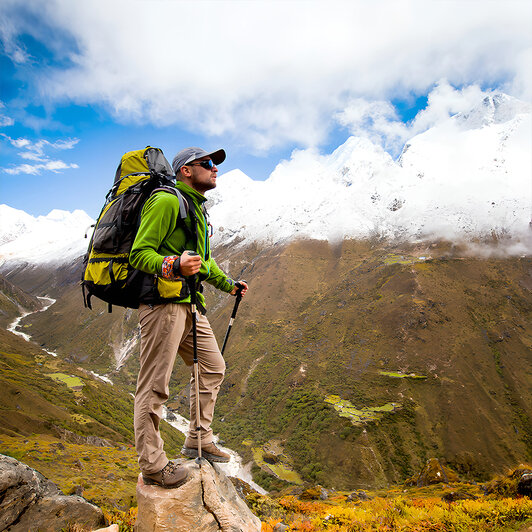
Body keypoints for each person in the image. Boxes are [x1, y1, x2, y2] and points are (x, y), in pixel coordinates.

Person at [130, 147, 248, 489]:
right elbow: (140, 253)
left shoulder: (195, 208)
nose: (215, 169)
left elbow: (202, 262)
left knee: (213, 366)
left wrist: (229, 285)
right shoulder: (167, 202)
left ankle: (198, 438)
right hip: (162, 305)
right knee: (154, 386)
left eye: (216, 164)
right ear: (185, 171)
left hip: (189, 304)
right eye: (207, 164)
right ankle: (153, 465)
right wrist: (172, 265)